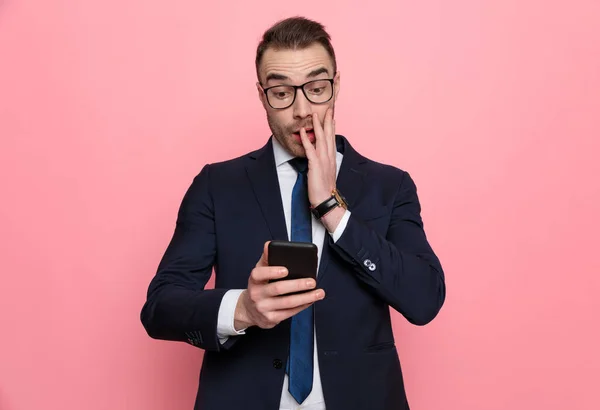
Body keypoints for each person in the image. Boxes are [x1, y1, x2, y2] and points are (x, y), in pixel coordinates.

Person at [140, 16, 446, 410]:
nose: (302, 110)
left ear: (336, 86)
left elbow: (424, 299)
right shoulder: (218, 185)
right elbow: (160, 307)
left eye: (317, 89)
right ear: (262, 94)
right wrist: (243, 309)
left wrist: (332, 209)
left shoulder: (390, 186)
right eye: (282, 93)